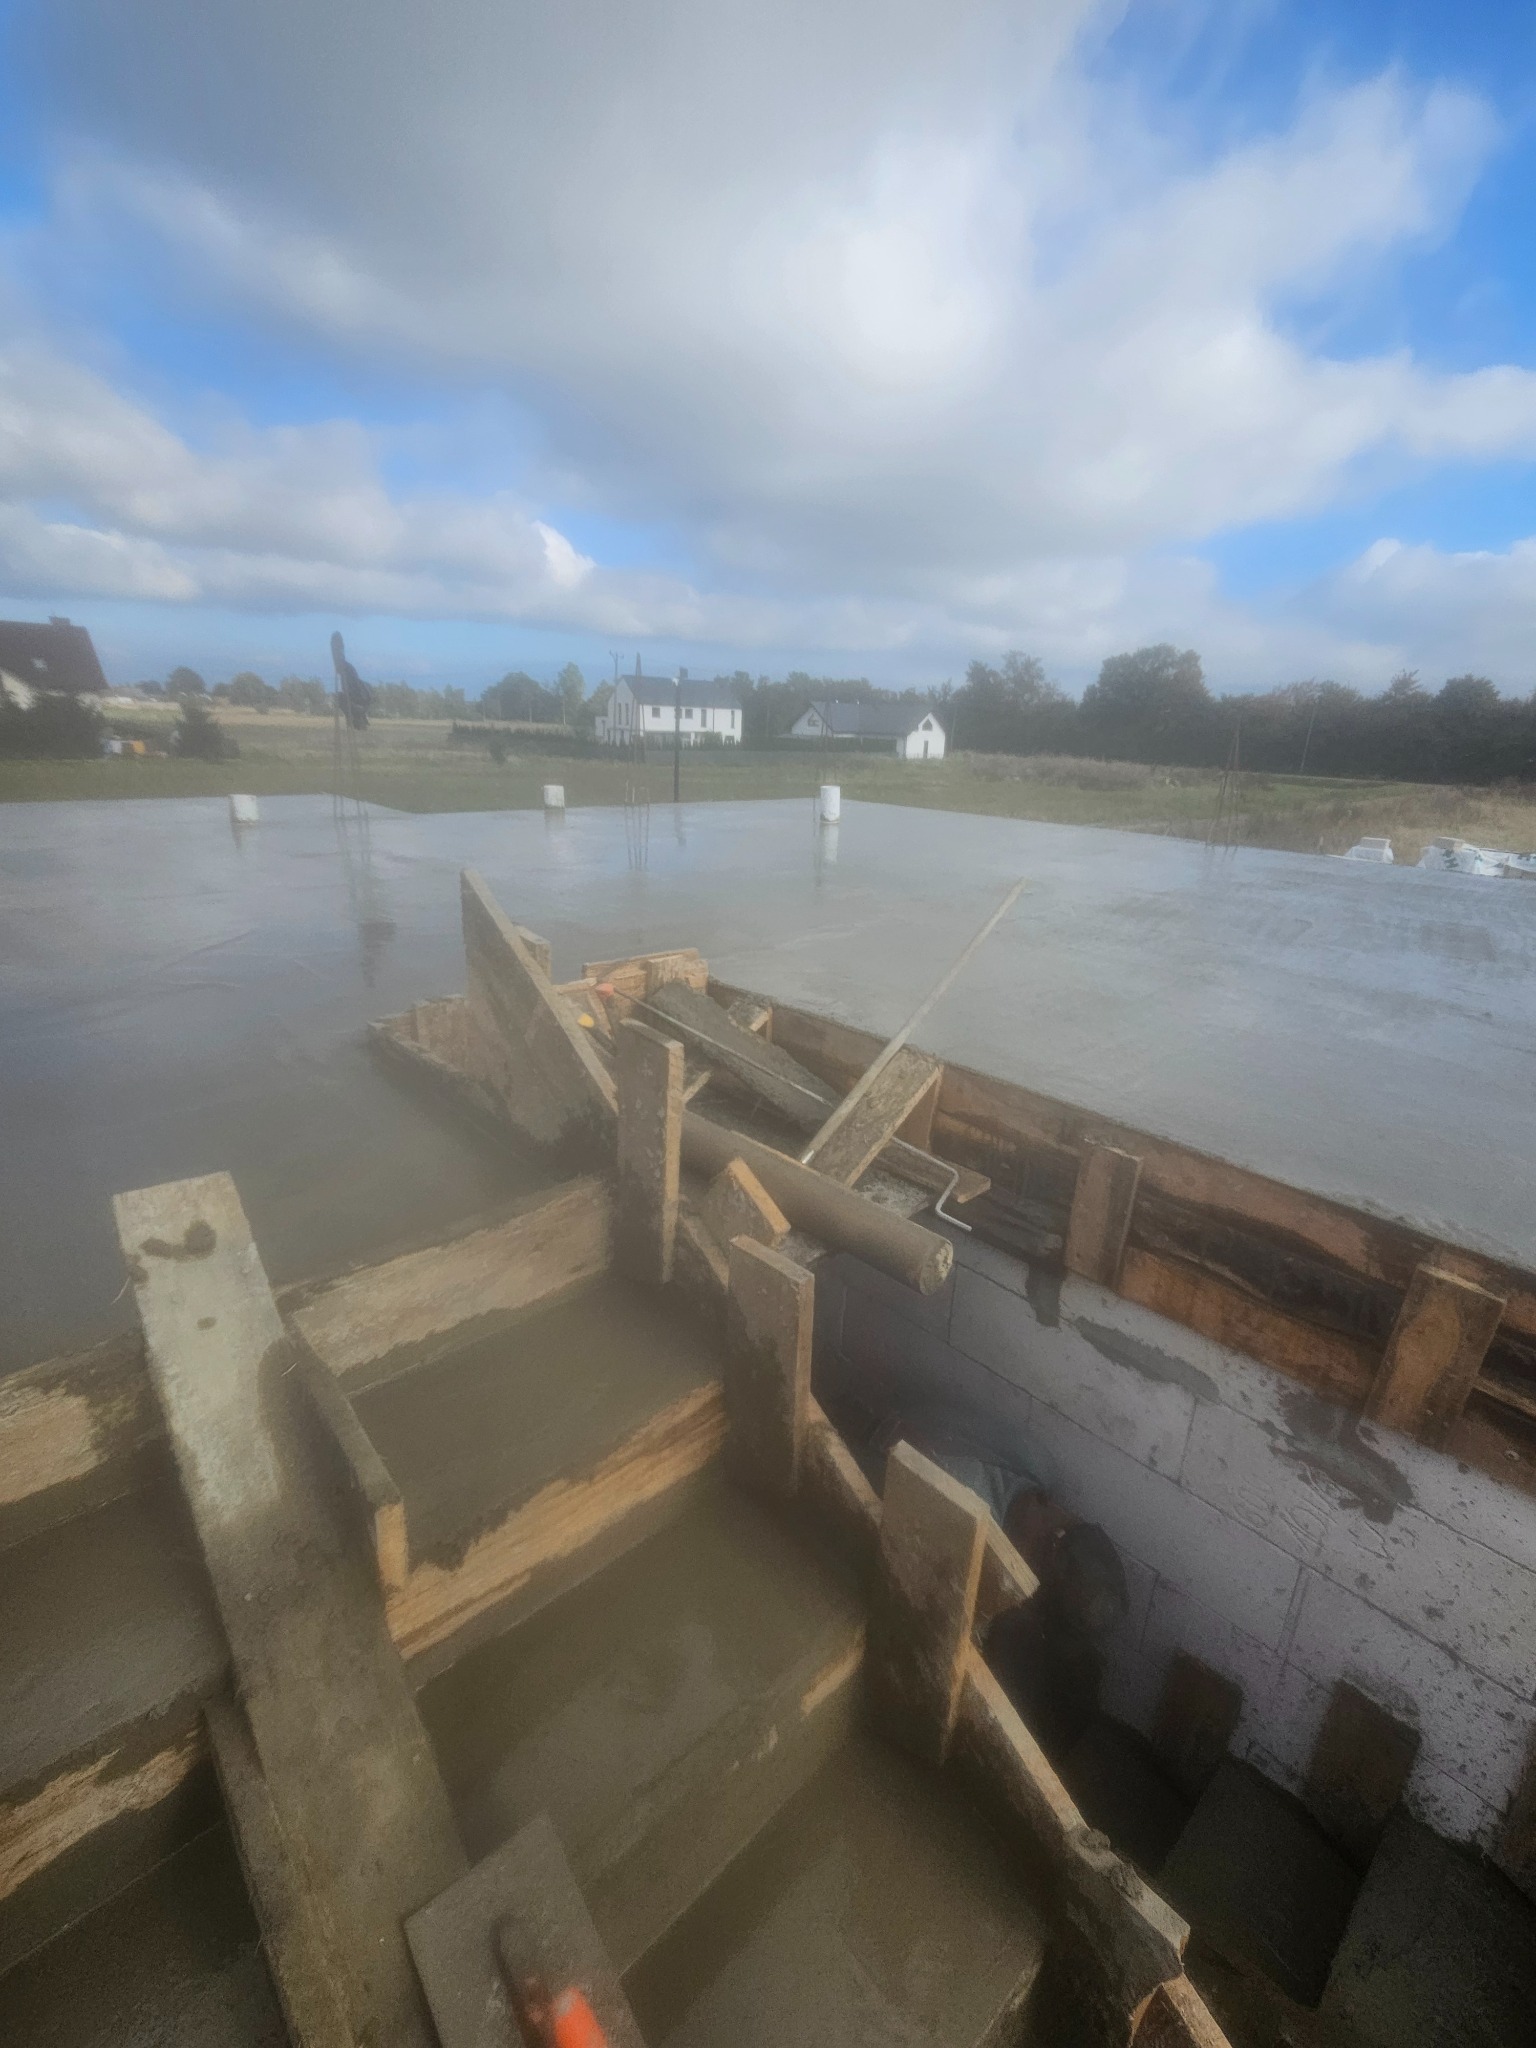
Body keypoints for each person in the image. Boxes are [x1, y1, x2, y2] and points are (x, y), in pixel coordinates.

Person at [512, 1972, 609, 2048]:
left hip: (569, 2019)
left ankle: (536, 1993)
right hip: (568, 2024)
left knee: (553, 2028)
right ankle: (537, 1996)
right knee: (552, 2029)